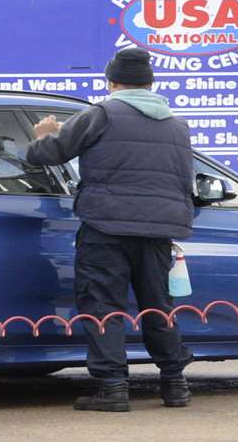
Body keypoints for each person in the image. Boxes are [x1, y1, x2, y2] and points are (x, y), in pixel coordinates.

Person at [25, 47, 195, 412]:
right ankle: (175, 385)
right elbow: (184, 181)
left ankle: (112, 387)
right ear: (150, 82)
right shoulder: (176, 124)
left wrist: (44, 135)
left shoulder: (101, 114)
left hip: (107, 226)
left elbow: (47, 155)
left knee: (103, 305)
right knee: (157, 305)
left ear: (112, 81)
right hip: (158, 231)